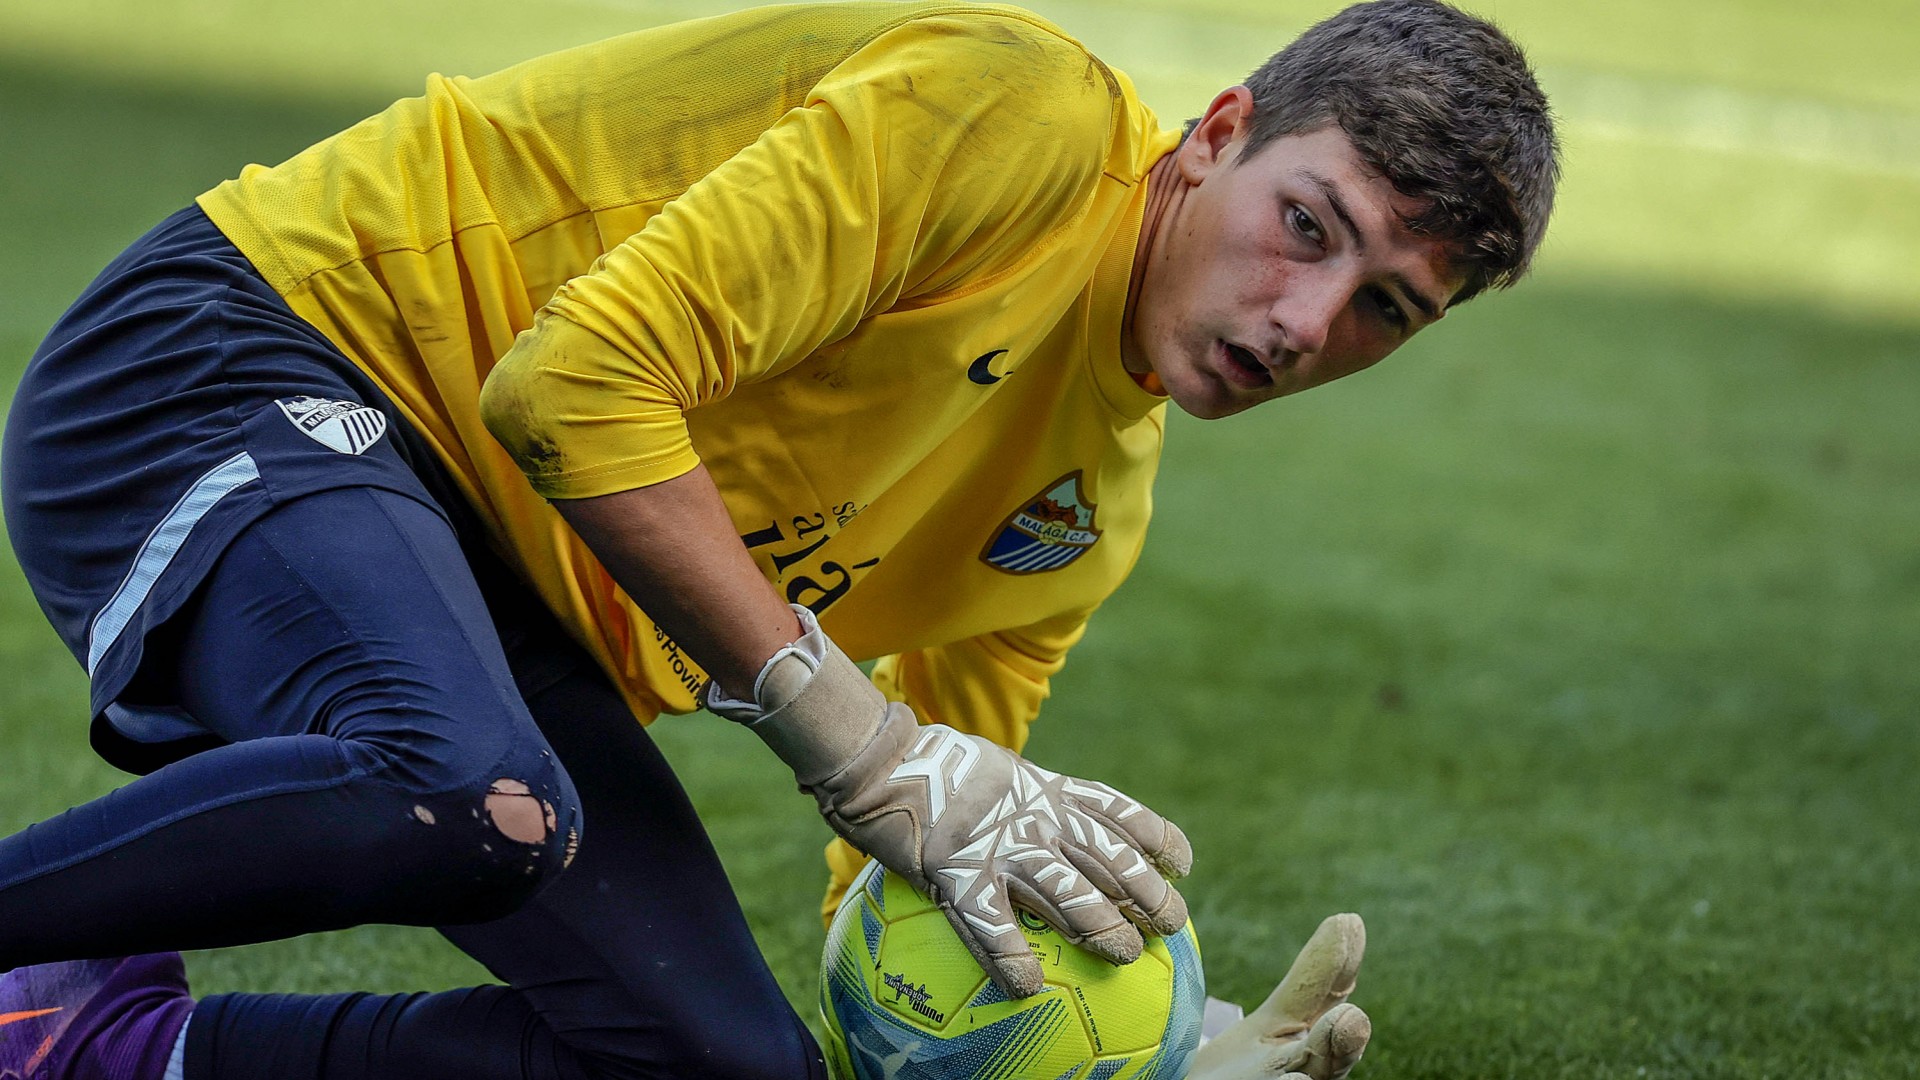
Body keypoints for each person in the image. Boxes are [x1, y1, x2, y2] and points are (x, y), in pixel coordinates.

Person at [0, 0, 1557, 1076]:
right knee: (465, 791)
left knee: (724, 1065)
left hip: (489, 568)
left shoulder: (1080, 525)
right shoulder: (1018, 113)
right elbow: (569, 383)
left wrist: (1119, 1051)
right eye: (1311, 225)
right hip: (251, 356)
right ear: (1217, 136)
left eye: (1384, 312)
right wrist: (859, 740)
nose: (1306, 323)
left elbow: (908, 898)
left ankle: (93, 1047)